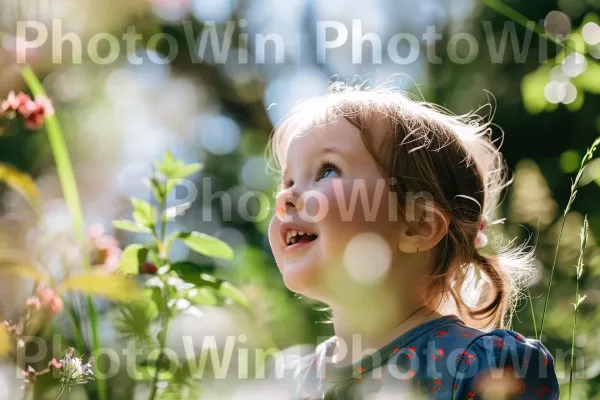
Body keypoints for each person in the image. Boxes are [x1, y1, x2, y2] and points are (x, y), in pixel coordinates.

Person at [265, 83, 560, 399]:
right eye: (289, 181)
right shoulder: (291, 381)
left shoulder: (480, 367)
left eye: (327, 171)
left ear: (418, 226)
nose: (286, 196)